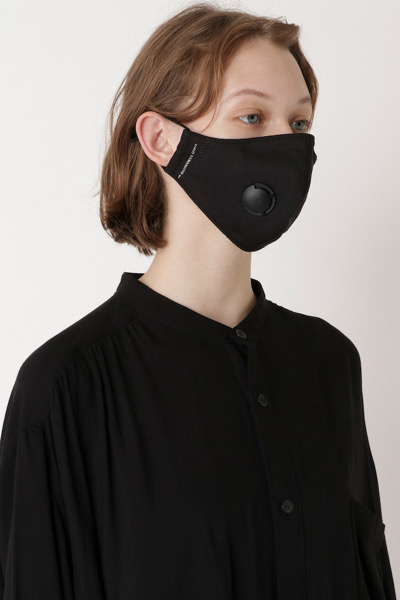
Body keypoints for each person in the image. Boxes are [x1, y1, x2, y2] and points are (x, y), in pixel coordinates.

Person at [0, 3, 396, 599]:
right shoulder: (67, 385)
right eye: (252, 116)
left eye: (299, 124)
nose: (285, 146)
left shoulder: (329, 362)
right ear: (161, 139)